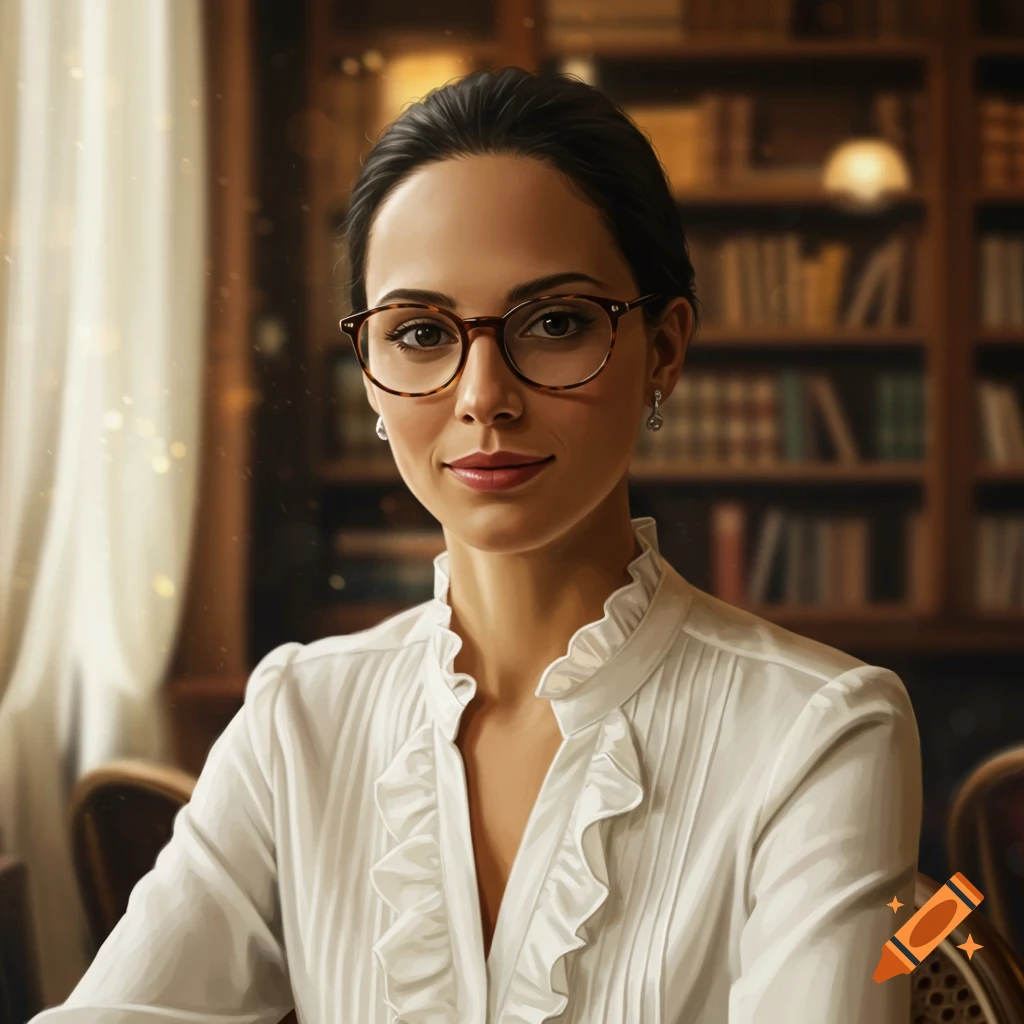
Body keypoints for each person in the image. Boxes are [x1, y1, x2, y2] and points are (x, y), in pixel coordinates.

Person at [34, 67, 922, 1023]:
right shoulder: (299, 719)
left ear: (664, 348)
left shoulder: (822, 732)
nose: (481, 395)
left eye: (554, 323)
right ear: (370, 374)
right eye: (420, 331)